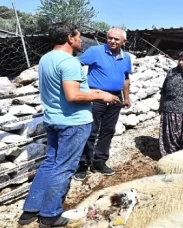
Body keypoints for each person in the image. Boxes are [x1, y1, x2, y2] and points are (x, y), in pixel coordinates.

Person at [18, 22, 120, 227]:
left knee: (50, 163)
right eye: (78, 36)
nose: (80, 40)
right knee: (64, 168)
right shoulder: (70, 62)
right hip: (72, 122)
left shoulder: (46, 58)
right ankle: (50, 215)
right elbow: (72, 95)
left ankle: (30, 211)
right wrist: (100, 94)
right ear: (69, 38)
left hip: (53, 119)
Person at [74, 28, 132, 180]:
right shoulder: (95, 51)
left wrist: (126, 97)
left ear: (124, 42)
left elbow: (126, 79)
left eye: (116, 39)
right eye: (110, 38)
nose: (112, 41)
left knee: (108, 131)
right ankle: (83, 165)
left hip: (115, 97)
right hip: (96, 96)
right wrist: (80, 87)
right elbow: (76, 65)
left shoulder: (126, 57)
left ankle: (99, 162)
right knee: (90, 131)